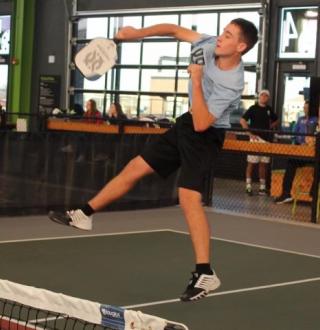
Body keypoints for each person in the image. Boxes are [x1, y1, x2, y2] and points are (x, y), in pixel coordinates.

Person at [49, 19, 258, 302]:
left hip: (206, 133)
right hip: (185, 125)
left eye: (229, 35)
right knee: (135, 168)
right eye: (223, 32)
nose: (221, 38)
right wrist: (135, 35)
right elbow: (173, 29)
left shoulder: (232, 82)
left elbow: (202, 123)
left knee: (188, 198)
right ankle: (84, 214)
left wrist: (196, 79)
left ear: (241, 47)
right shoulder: (208, 44)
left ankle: (205, 273)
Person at [275, 101, 317, 204]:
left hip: (315, 153)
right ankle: (286, 194)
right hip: (301, 151)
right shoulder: (300, 119)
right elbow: (294, 134)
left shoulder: (316, 120)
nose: (305, 109)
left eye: (307, 108)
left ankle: (314, 196)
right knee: (290, 163)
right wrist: (301, 142)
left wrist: (311, 143)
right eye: (304, 107)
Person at [240, 90, 278, 195]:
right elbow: (242, 120)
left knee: (263, 164)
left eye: (266, 95)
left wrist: (270, 127)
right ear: (259, 97)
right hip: (255, 140)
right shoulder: (253, 108)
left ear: (268, 98)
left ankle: (262, 187)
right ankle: (248, 186)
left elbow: (276, 120)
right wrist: (249, 134)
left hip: (266, 141)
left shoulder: (269, 110)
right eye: (262, 95)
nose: (264, 97)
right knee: (251, 163)